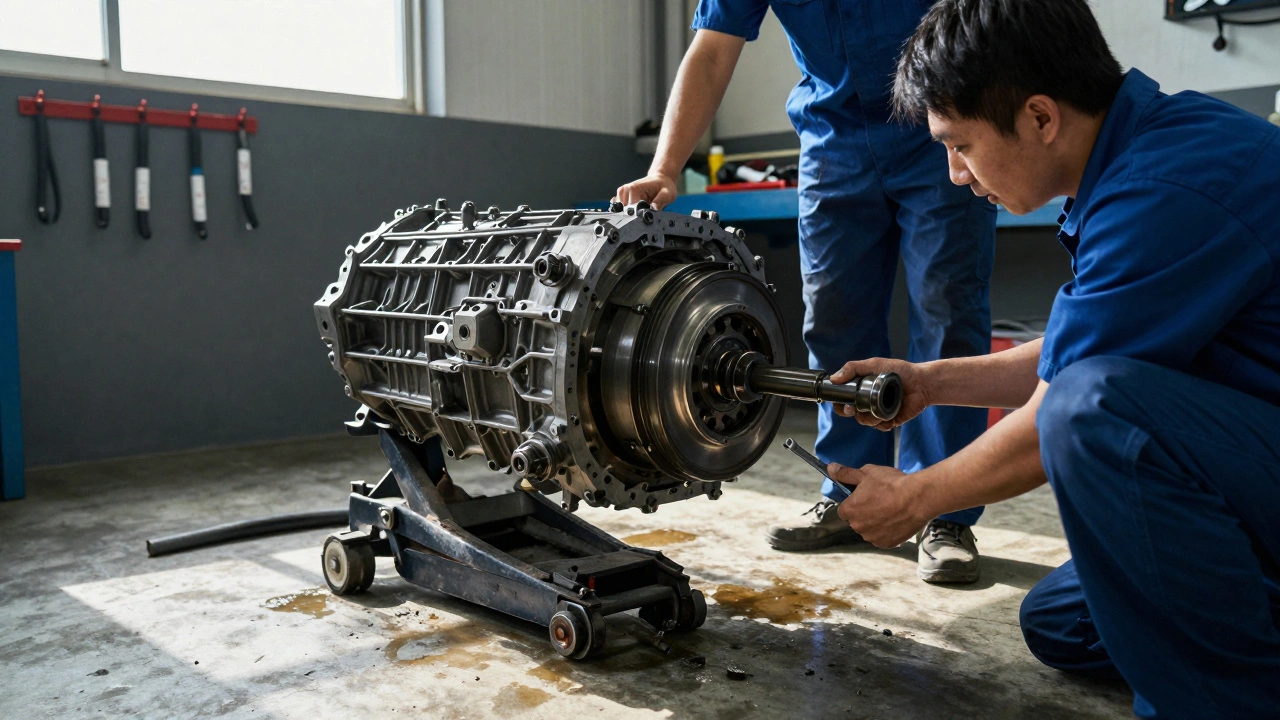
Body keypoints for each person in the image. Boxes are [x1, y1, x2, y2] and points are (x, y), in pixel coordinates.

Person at [830, 0, 1280, 715]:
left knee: (1087, 415)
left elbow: (1065, 408)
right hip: (1254, 448)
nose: (954, 175)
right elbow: (1084, 346)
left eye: (962, 145)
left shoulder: (1165, 189)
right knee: (1062, 625)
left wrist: (917, 498)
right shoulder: (1138, 154)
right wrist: (927, 383)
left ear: (1040, 117)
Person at [616, 0, 995, 584]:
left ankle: (943, 510)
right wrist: (667, 169)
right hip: (833, 137)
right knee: (834, 319)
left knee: (948, 314)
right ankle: (849, 491)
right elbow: (713, 50)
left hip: (939, 124)